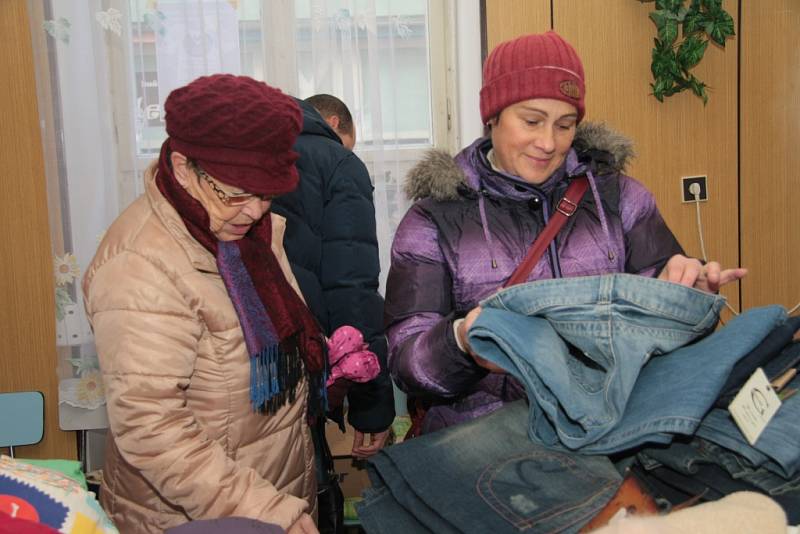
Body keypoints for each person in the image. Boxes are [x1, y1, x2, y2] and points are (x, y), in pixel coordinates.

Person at [383, 31, 747, 435]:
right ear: (493, 116)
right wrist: (462, 345)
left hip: (612, 426)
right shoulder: (434, 219)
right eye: (532, 121)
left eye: (565, 124)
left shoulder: (620, 198)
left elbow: (663, 335)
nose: (548, 143)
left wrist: (685, 297)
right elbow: (406, 365)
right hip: (487, 438)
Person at [82, 74, 322, 534]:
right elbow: (153, 430)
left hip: (267, 494)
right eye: (236, 193)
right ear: (183, 167)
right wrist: (269, 511)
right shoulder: (140, 266)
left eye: (267, 194)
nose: (254, 211)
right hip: (188, 517)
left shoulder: (245, 234)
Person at [272, 94, 395, 459]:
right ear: (335, 124)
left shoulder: (252, 155)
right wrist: (371, 407)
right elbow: (352, 287)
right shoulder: (338, 162)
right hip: (305, 362)